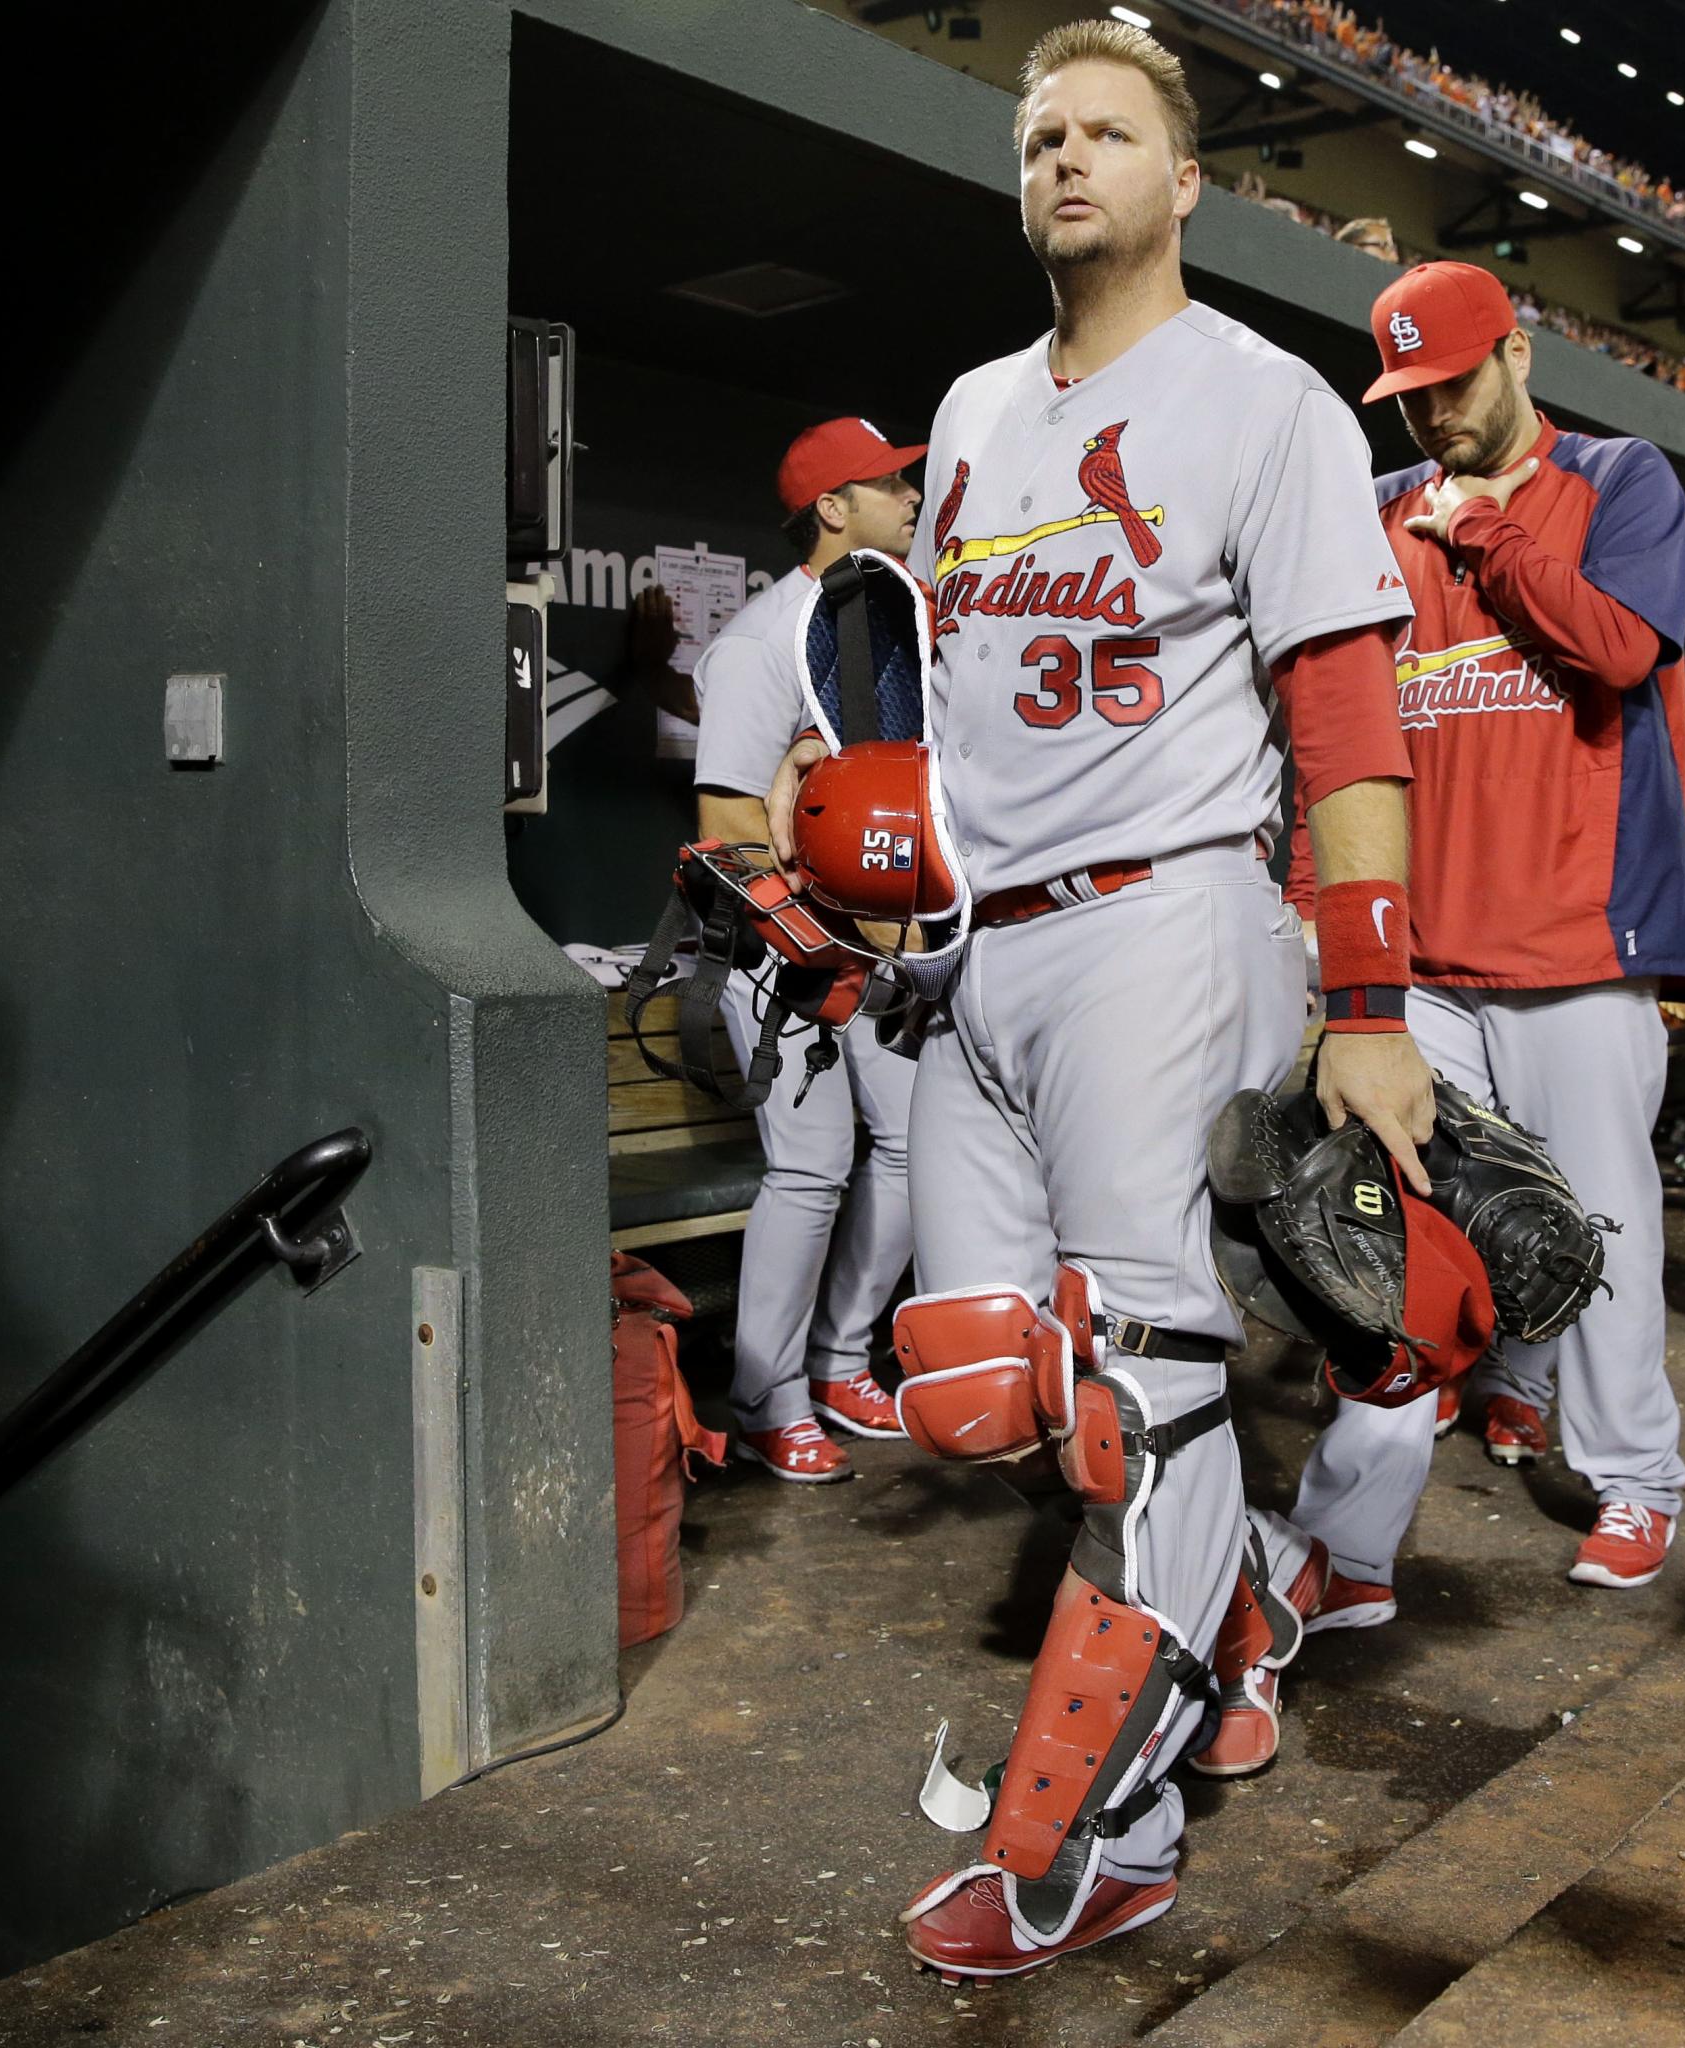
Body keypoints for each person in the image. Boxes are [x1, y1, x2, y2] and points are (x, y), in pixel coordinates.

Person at [770, 20, 1428, 1980]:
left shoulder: (1269, 401)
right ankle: (1232, 1622)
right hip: (979, 949)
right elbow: (956, 703)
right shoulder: (968, 412)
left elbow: (1343, 711)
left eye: (1107, 131)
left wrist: (1370, 990)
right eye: (1041, 132)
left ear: (1185, 179)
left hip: (1167, 924)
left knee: (1144, 1396)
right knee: (975, 1378)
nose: (1065, 156)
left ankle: (1100, 1842)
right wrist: (902, 889)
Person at [1244, 258, 1685, 1669]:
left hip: (1579, 946)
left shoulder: (1623, 481)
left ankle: (1637, 1486)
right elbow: (1338, 754)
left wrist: (1489, 536)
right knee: (1379, 1257)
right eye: (1407, 396)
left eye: (1450, 383)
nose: (1429, 418)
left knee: (1603, 1230)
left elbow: (1621, 647)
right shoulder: (1373, 523)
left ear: (1515, 354)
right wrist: (1338, 965)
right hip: (1423, 967)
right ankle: (1352, 1548)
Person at [688, 419, 930, 1481]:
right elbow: (728, 823)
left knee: (916, 1147)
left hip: (879, 952)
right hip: (781, 956)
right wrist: (830, 942)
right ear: (835, 507)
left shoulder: (896, 627)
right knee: (813, 1165)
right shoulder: (762, 637)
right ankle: (761, 1394)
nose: (913, 500)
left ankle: (838, 1357)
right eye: (892, 485)